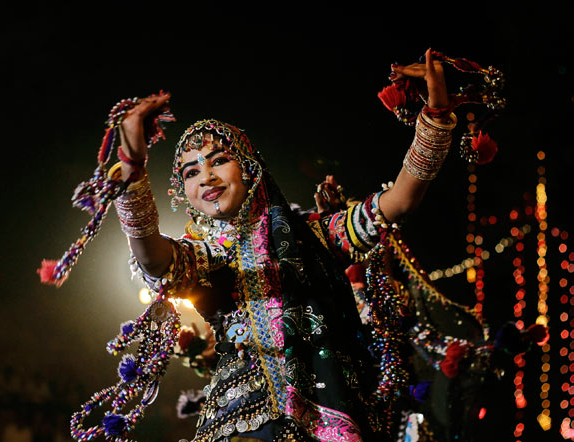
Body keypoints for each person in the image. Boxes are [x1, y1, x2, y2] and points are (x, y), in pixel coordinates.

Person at [102, 49, 455, 442]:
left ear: (249, 168)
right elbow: (152, 257)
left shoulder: (317, 235)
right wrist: (131, 170)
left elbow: (401, 200)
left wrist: (435, 120)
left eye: (219, 160)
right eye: (191, 171)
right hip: (239, 424)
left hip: (330, 420)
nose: (206, 176)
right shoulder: (203, 253)